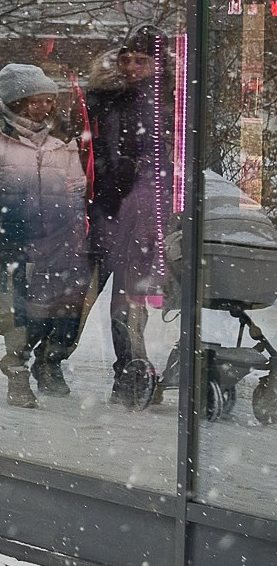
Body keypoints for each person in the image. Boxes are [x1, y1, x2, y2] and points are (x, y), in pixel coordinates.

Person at [0, 64, 90, 408]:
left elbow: (76, 188)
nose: (44, 108)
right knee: (16, 313)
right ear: (15, 100)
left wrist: (77, 231)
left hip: (57, 240)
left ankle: (49, 362)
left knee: (61, 308)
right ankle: (17, 371)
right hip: (9, 237)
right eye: (35, 101)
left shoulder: (61, 135)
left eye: (48, 100)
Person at [81, 26, 177, 408]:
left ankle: (131, 370)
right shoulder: (105, 97)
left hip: (146, 214)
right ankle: (50, 359)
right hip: (107, 208)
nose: (132, 66)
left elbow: (170, 156)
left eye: (142, 60)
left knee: (132, 297)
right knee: (84, 294)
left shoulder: (170, 101)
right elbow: (90, 147)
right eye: (127, 59)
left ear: (158, 64)